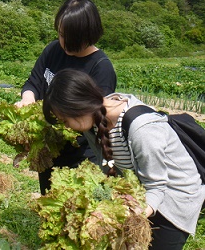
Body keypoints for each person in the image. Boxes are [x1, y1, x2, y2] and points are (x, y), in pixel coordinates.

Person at [43, 68, 205, 250]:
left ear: (78, 107)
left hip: (174, 197)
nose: (67, 127)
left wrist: (132, 215)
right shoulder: (92, 123)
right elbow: (105, 166)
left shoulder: (142, 129)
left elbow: (157, 186)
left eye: (65, 120)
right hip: (144, 190)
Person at [15, 0, 117, 194]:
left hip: (80, 155)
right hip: (49, 149)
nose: (63, 42)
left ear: (89, 34)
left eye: (70, 38)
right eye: (61, 34)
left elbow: (95, 119)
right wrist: (28, 99)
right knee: (50, 202)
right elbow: (34, 82)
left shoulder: (101, 68)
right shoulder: (53, 50)